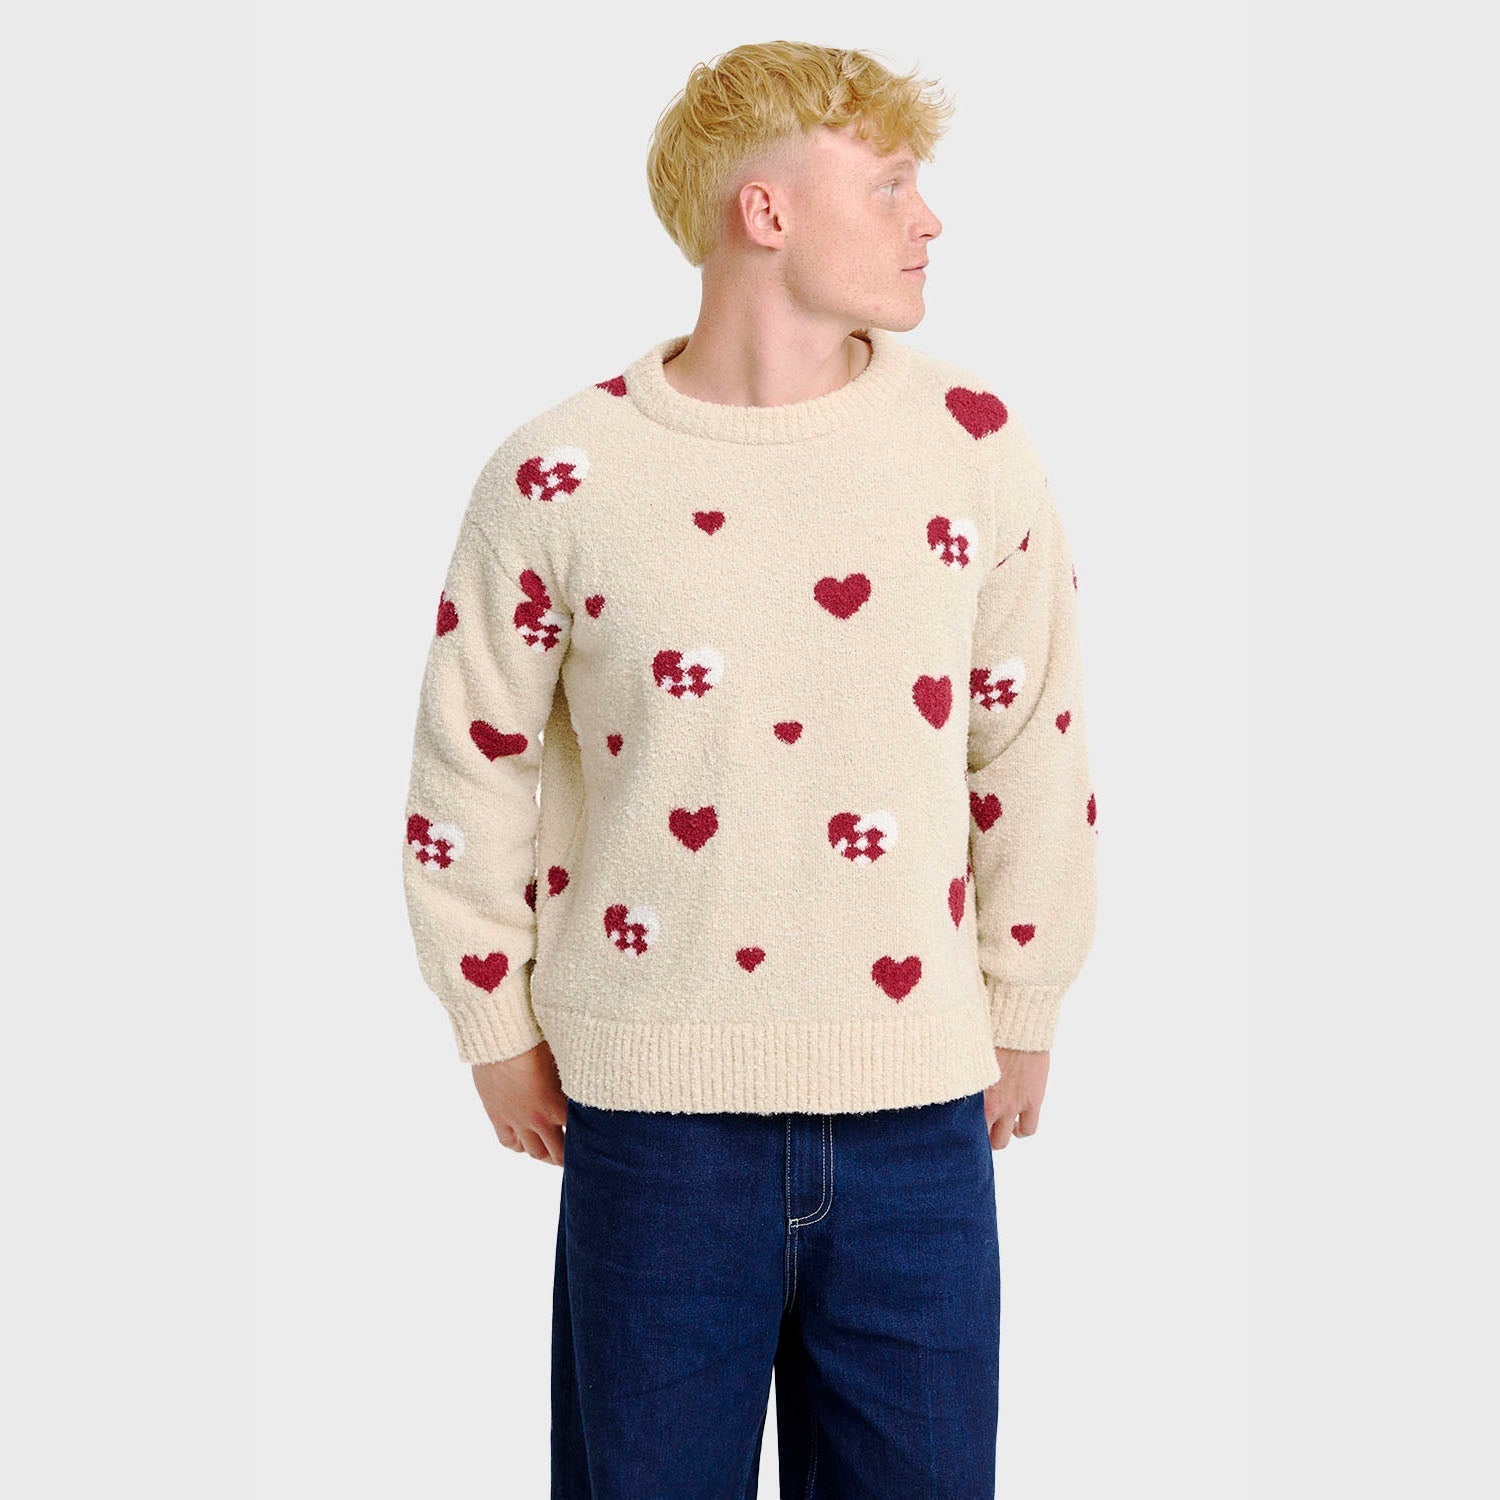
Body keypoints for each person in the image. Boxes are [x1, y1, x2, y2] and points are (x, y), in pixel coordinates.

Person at [401, 39, 1099, 1499]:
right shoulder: (560, 473)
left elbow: (1030, 736)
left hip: (919, 1116)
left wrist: (1025, 992)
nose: (929, 219)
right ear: (765, 212)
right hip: (653, 1130)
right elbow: (471, 769)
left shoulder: (971, 446)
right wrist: (492, 1021)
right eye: (890, 185)